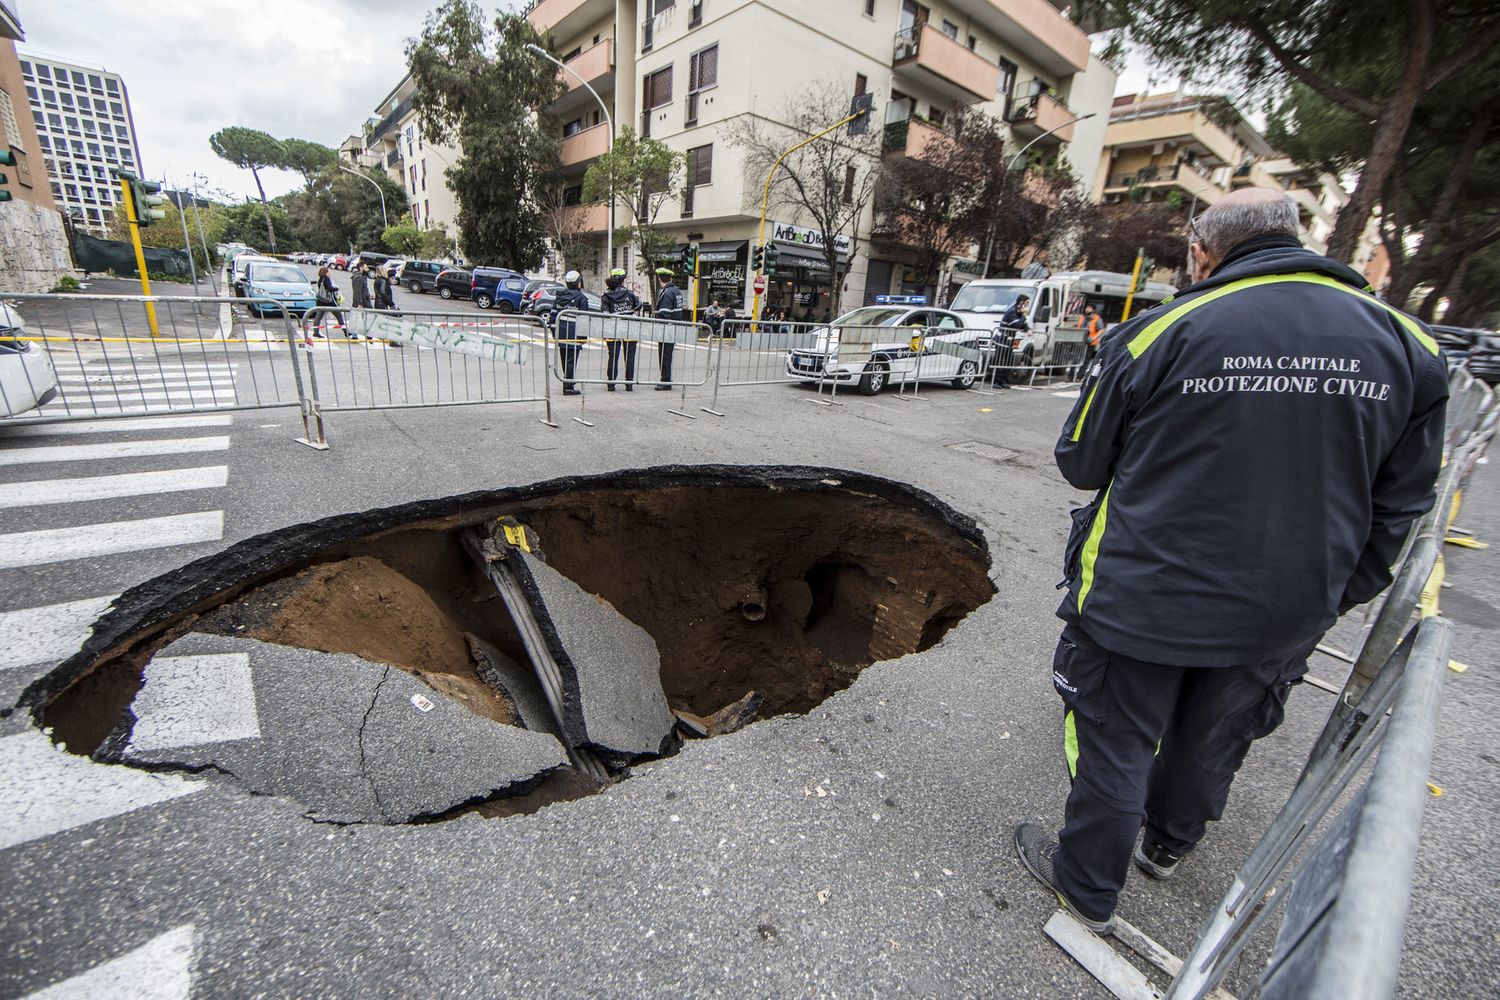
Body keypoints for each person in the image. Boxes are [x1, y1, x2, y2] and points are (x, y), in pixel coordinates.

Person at [1013, 187, 1449, 934]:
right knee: (1214, 734)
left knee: (1116, 737)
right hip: (1288, 602)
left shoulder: (1164, 330)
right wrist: (1336, 593)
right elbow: (1402, 504)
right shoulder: (1411, 348)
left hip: (1144, 592)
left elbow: (1081, 460)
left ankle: (1085, 890)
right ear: (1296, 236)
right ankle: (1167, 847)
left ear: (1202, 252)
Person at [550, 269, 593, 395]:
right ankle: (568, 386)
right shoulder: (581, 298)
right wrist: (583, 336)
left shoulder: (560, 296)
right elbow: (584, 319)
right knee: (571, 360)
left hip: (561, 332)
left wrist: (554, 332)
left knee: (565, 360)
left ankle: (568, 381)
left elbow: (553, 315)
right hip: (574, 333)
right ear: (578, 283)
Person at [601, 268, 640, 391]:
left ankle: (611, 384)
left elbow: (604, 313)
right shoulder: (630, 294)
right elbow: (639, 305)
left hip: (613, 329)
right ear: (623, 280)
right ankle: (629, 384)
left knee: (613, 356)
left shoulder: (606, 296)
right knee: (630, 356)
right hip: (630, 328)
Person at [653, 267, 683, 390]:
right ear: (670, 278)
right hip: (673, 327)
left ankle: (665, 380)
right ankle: (666, 379)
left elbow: (665, 313)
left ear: (660, 279)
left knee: (664, 355)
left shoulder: (667, 293)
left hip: (666, 329)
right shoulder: (676, 291)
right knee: (668, 355)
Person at [313, 265, 341, 340]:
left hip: (320, 300)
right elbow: (330, 288)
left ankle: (315, 331)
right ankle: (345, 330)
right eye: (328, 271)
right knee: (338, 314)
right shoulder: (326, 279)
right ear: (326, 273)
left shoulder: (320, 280)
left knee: (318, 316)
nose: (330, 272)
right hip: (328, 301)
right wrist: (336, 288)